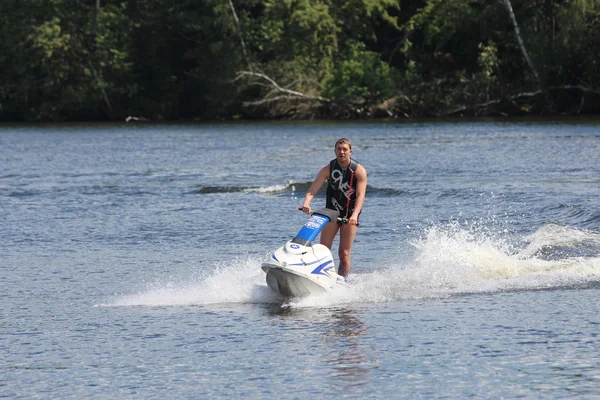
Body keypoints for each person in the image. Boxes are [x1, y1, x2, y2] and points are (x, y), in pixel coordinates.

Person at [300, 138, 367, 277]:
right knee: (323, 250)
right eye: (339, 149)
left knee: (344, 254)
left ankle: (343, 281)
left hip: (350, 215)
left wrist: (354, 216)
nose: (341, 152)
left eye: (344, 149)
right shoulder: (328, 169)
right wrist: (306, 203)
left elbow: (360, 196)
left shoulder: (359, 171)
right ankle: (322, 276)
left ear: (350, 151)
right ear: (335, 150)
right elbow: (312, 190)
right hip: (331, 213)